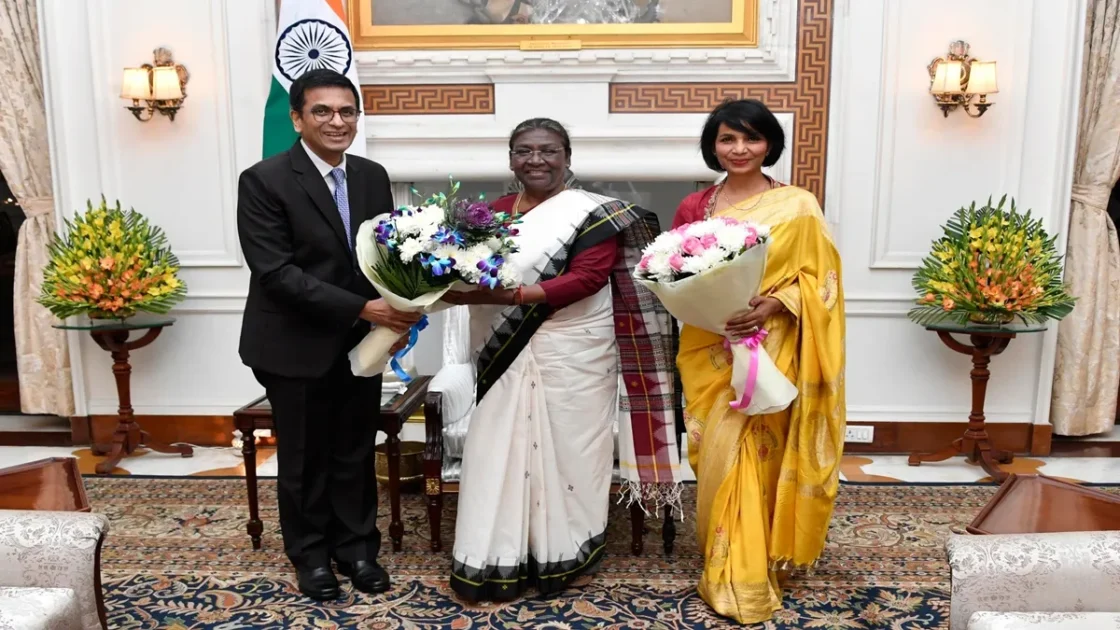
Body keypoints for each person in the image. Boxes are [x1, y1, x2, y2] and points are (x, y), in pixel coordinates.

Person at [439, 118, 683, 601]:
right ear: (510, 158)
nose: (536, 160)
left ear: (567, 156)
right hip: (507, 349)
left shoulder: (593, 214)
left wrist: (509, 294)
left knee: (573, 453)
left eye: (548, 150)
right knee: (497, 447)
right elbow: (465, 269)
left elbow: (587, 280)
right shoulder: (493, 214)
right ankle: (499, 554)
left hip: (576, 351)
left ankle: (564, 550)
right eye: (524, 151)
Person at [236, 68, 420, 601]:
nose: (336, 121)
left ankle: (358, 550)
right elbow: (277, 273)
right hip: (292, 343)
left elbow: (385, 255)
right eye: (322, 111)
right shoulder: (263, 180)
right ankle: (311, 556)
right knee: (304, 456)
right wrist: (367, 308)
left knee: (353, 450)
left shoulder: (370, 175)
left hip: (359, 342)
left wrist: (403, 308)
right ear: (297, 118)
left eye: (346, 112)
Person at [672, 99, 846, 624]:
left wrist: (776, 303)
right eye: (727, 139)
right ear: (713, 146)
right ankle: (728, 551)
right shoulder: (695, 207)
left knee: (761, 446)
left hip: (774, 344)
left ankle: (752, 564)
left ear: (770, 143)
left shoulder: (797, 204)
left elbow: (824, 281)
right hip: (710, 345)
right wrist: (714, 309)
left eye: (751, 138)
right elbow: (675, 276)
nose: (739, 149)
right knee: (719, 451)